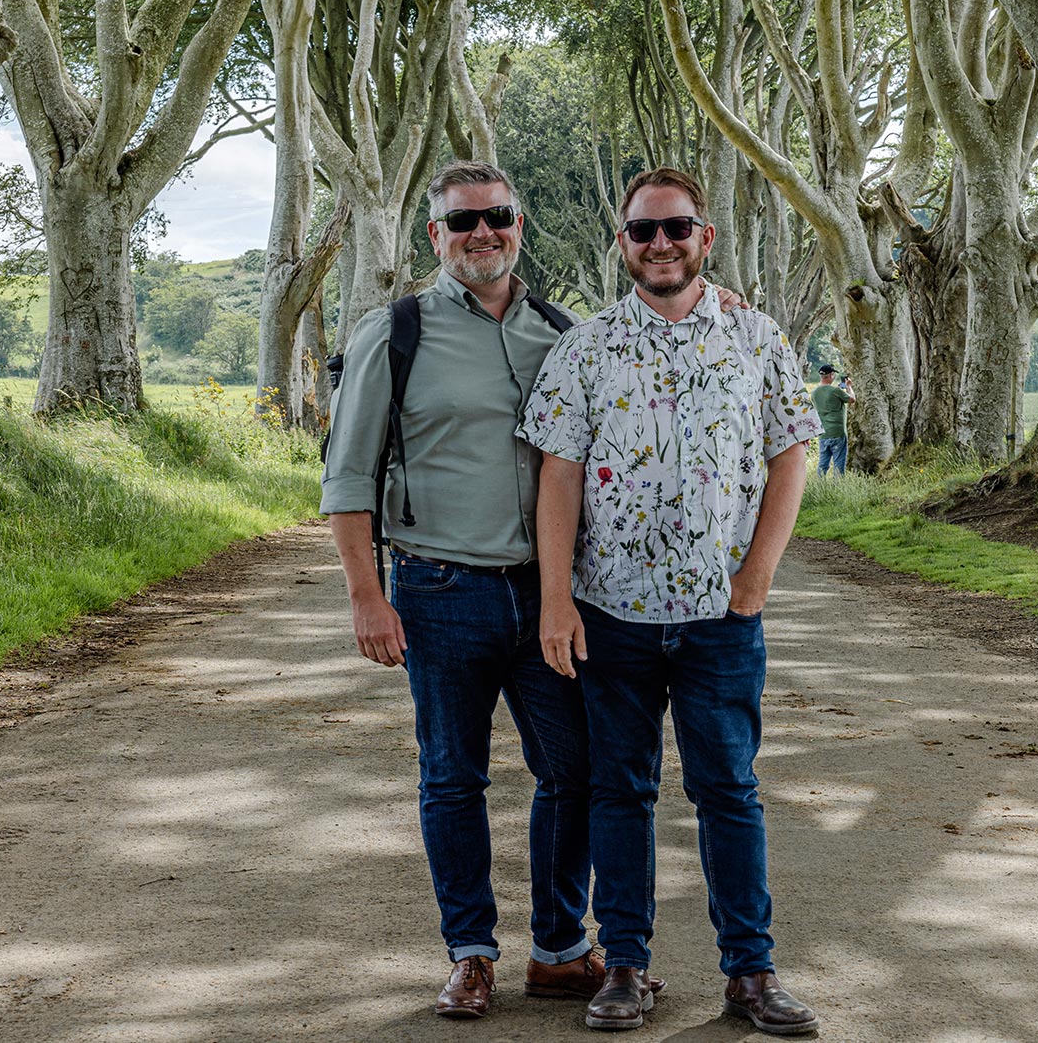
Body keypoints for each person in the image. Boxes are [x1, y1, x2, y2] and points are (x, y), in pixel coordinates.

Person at [321, 161, 666, 1020]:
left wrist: (722, 297)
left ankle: (558, 950)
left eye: (499, 216)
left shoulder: (563, 332)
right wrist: (368, 594)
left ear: (520, 226)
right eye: (464, 220)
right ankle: (470, 952)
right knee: (452, 776)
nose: (484, 232)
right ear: (435, 236)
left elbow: (652, 350)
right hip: (437, 591)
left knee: (575, 768)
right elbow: (349, 475)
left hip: (550, 597)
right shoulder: (391, 333)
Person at [519, 166, 823, 1035]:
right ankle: (624, 964)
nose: (660, 245)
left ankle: (751, 972)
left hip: (720, 619)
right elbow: (559, 474)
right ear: (622, 243)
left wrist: (756, 575)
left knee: (729, 788)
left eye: (675, 228)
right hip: (611, 611)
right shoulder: (584, 346)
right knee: (620, 791)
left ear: (705, 237)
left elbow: (790, 453)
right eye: (643, 232)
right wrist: (555, 602)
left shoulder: (758, 339)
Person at [810, 363, 855, 475]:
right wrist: (848, 386)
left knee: (823, 463)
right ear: (831, 375)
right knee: (839, 463)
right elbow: (852, 399)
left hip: (823, 433)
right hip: (837, 432)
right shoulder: (835, 391)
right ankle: (837, 487)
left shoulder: (814, 393)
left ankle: (820, 487)